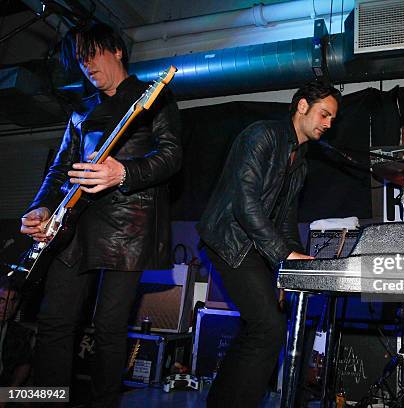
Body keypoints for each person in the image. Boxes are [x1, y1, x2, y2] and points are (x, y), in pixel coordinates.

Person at [19, 22, 181, 407]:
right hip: (73, 225)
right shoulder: (81, 111)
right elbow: (58, 170)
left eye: (92, 54)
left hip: (128, 227)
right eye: (80, 60)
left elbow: (172, 156)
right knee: (55, 323)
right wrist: (40, 207)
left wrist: (123, 172)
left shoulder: (153, 97)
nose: (86, 65)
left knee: (109, 327)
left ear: (117, 50)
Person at [197, 80, 341, 407]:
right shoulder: (263, 135)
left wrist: (294, 263)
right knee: (268, 327)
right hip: (230, 241)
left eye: (332, 118)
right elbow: (244, 203)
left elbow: (286, 219)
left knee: (257, 328)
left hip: (256, 247)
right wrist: (284, 254)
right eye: (324, 114)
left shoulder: (300, 162)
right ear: (302, 106)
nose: (328, 123)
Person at [0, 278, 34, 388]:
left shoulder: (19, 332)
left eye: (12, 302)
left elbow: (24, 363)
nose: (6, 307)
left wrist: (10, 391)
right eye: (1, 300)